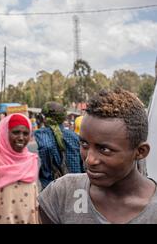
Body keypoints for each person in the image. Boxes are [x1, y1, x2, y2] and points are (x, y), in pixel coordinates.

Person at [39, 89, 157, 223]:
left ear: (140, 151)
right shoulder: (62, 194)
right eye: (84, 144)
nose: (90, 160)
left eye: (104, 149)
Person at [0, 113, 39, 224]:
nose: (21, 138)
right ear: (5, 133)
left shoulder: (31, 161)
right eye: (16, 132)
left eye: (26, 133)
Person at [34, 102, 84, 189]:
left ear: (43, 118)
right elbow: (83, 165)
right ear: (63, 118)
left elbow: (46, 148)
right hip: (77, 187)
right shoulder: (74, 137)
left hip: (52, 188)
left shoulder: (41, 134)